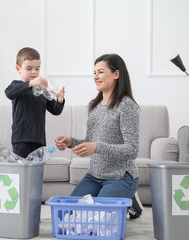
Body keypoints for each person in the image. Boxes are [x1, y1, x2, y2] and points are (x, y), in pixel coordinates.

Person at [55, 53, 142, 219]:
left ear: (116, 74)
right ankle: (124, 199)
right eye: (94, 73)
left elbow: (132, 150)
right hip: (94, 175)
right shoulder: (93, 106)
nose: (96, 77)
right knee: (65, 215)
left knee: (96, 218)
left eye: (100, 72)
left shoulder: (126, 106)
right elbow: (90, 141)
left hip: (120, 176)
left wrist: (97, 147)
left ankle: (127, 198)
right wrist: (71, 142)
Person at [5, 47, 65, 158]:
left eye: (37, 69)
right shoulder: (16, 86)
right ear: (18, 69)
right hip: (21, 140)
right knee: (24, 172)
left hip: (39, 140)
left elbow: (55, 110)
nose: (34, 72)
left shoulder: (42, 89)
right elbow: (9, 93)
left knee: (37, 172)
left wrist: (60, 101)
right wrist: (31, 83)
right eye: (29, 68)